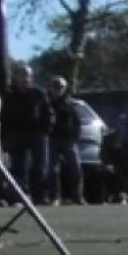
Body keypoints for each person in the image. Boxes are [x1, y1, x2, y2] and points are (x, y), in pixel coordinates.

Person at [0, 63, 54, 206]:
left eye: (28, 75)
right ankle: (19, 197)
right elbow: (3, 114)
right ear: (16, 77)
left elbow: (48, 112)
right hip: (17, 134)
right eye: (22, 74)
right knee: (19, 167)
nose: (25, 78)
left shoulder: (38, 93)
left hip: (37, 134)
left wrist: (46, 128)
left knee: (40, 166)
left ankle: (41, 196)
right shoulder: (8, 94)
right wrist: (6, 134)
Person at [46, 76, 82, 205]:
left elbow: (77, 121)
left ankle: (77, 196)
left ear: (65, 88)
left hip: (68, 139)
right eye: (55, 86)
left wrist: (75, 135)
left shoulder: (70, 103)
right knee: (52, 169)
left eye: (60, 86)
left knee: (75, 167)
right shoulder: (46, 103)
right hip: (52, 138)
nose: (58, 89)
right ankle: (54, 197)